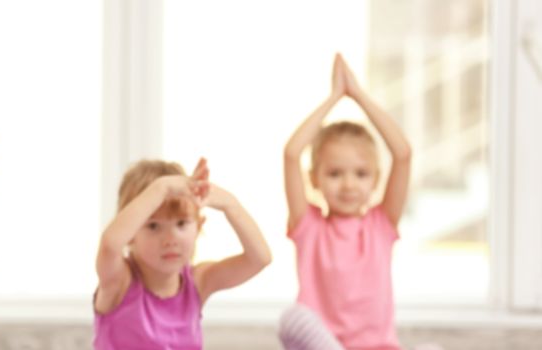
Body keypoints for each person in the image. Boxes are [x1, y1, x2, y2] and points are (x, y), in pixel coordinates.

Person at [278, 53, 412, 350]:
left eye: (361, 174)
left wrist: (359, 95)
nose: (349, 184)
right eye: (335, 173)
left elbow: (403, 153)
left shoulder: (381, 225)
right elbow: (291, 153)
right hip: (322, 345)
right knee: (293, 319)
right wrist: (333, 98)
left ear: (376, 179)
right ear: (314, 179)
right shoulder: (308, 226)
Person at [94, 157, 272, 349]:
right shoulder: (118, 282)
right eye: (153, 226)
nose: (170, 239)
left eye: (181, 224)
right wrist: (161, 188)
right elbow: (110, 245)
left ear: (198, 226)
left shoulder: (198, 282)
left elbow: (259, 258)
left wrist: (230, 204)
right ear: (130, 233)